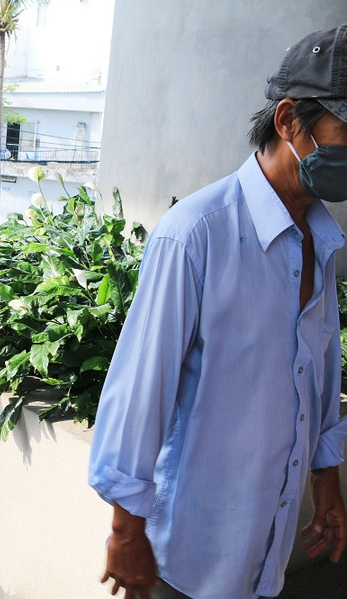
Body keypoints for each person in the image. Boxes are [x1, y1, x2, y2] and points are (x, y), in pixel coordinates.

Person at [88, 25, 347, 599]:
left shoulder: (322, 243)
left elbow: (318, 378)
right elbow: (142, 386)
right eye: (346, 128)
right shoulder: (195, 236)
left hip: (266, 555)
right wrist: (126, 530)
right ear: (288, 121)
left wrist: (327, 482)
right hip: (183, 560)